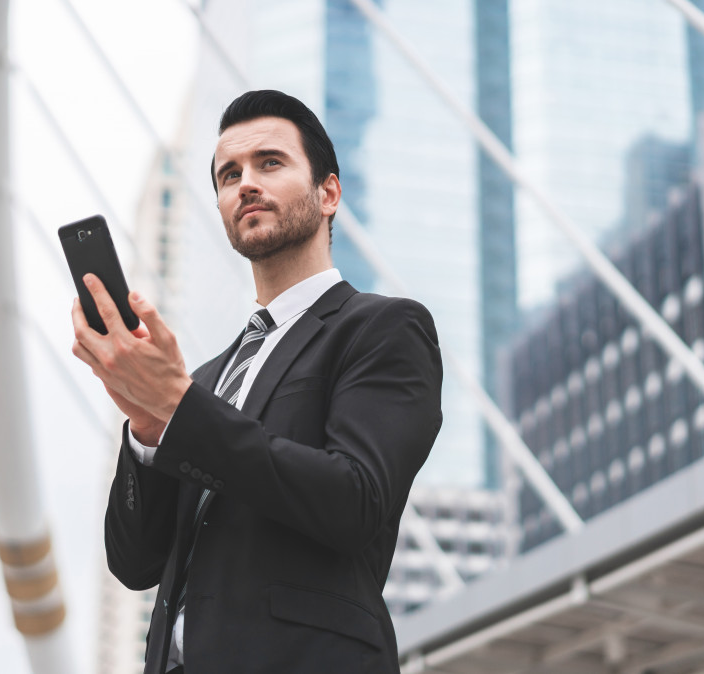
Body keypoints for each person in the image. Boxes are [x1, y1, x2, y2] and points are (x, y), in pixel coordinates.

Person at [71, 90, 443, 674]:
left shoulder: (384, 328)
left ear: (328, 193)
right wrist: (147, 426)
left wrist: (178, 406)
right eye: (228, 174)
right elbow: (135, 563)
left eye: (270, 163)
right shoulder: (208, 379)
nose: (245, 183)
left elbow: (356, 501)